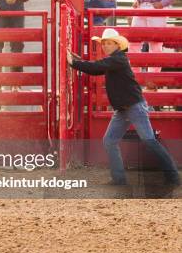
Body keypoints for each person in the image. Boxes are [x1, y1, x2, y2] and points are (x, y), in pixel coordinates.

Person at [67, 28, 179, 186]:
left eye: (108, 43)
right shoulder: (115, 60)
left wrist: (74, 63)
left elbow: (96, 68)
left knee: (148, 141)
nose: (105, 46)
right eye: (103, 43)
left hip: (133, 107)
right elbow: (97, 68)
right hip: (125, 108)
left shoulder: (117, 59)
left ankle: (173, 176)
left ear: (117, 45)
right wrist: (78, 62)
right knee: (112, 141)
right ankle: (119, 179)